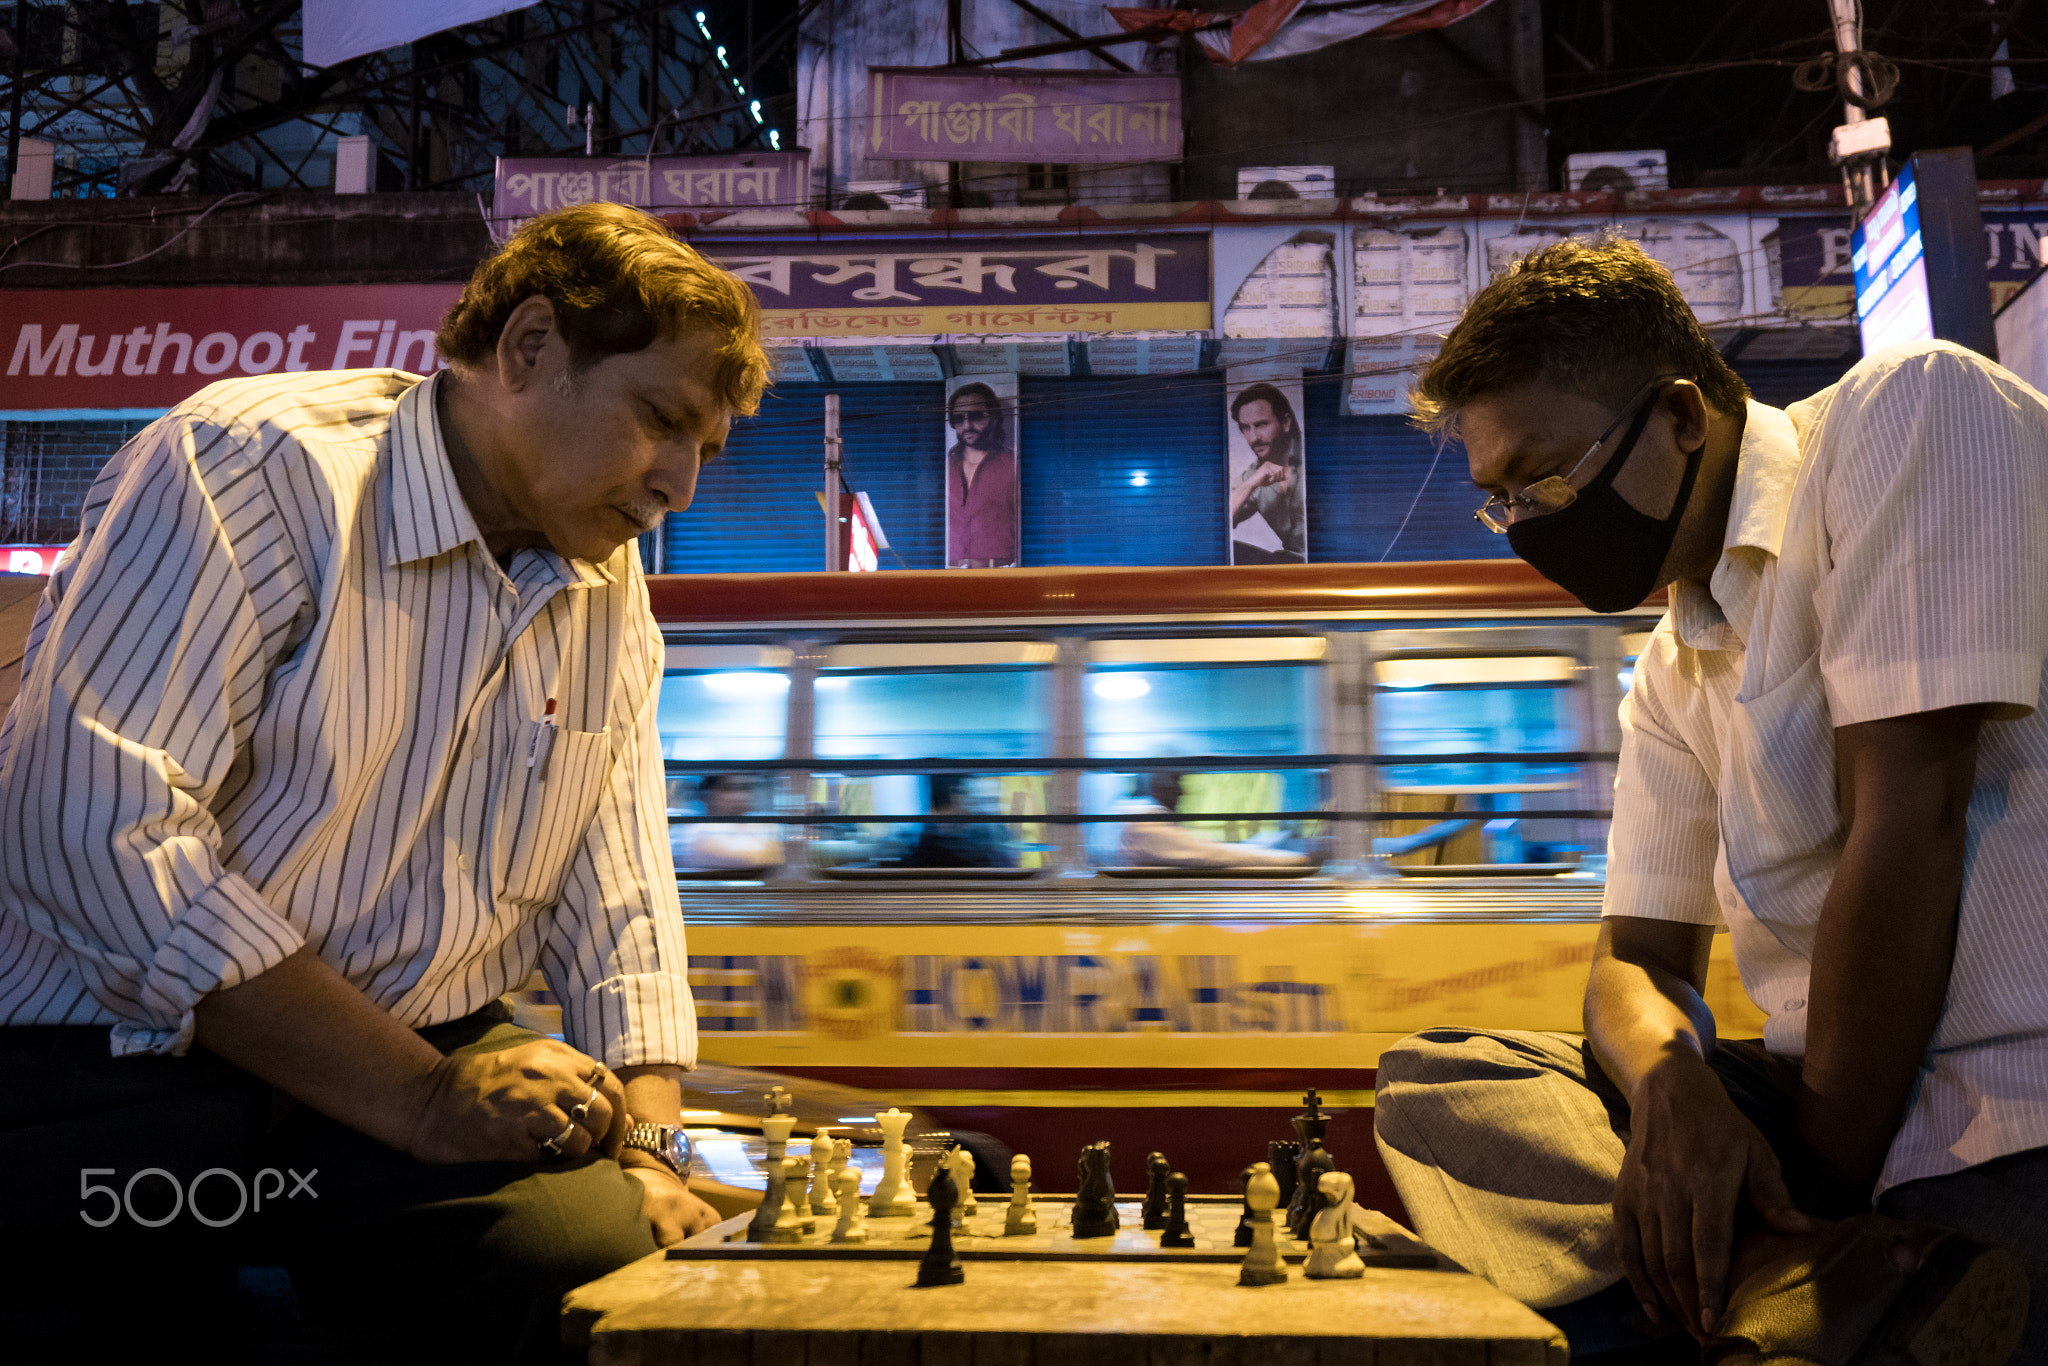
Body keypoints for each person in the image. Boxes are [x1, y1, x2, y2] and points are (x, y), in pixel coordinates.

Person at [0, 202, 770, 1364]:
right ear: (527, 349)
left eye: (705, 449)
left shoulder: (606, 591)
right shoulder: (254, 469)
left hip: (422, 1066)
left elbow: (618, 898)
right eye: (659, 419)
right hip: (123, 1076)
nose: (680, 483)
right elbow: (91, 826)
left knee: (598, 1250)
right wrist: (416, 1100)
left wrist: (648, 1156)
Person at [1373, 235, 2047, 1363]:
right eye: (1501, 503)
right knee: (1439, 1081)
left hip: (2001, 1108)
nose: (1531, 523)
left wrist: (1805, 1186)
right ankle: (1790, 1283)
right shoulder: (1672, 662)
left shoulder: (1906, 414)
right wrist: (1672, 1086)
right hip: (1814, 1104)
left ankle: (1794, 1267)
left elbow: (1907, 821)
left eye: (1544, 478)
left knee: (1616, 1292)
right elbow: (1633, 957)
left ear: (1680, 415)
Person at [1113, 771, 1309, 869]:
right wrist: (1298, 859)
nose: (1184, 792)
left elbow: (1209, 849)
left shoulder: (1145, 823)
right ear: (1160, 784)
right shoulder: (1145, 827)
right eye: (1178, 781)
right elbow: (1213, 854)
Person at [1226, 381, 1306, 564]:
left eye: (1261, 425)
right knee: (1230, 548)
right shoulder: (1256, 474)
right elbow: (1220, 523)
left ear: (1285, 423)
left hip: (1331, 561)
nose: (1253, 438)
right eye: (1246, 428)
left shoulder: (1310, 454)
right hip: (1291, 564)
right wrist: (1251, 483)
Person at [945, 382, 1019, 568]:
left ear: (994, 417)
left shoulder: (1012, 466)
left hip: (1000, 574)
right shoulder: (944, 470)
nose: (967, 425)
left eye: (976, 416)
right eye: (959, 419)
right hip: (950, 575)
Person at [673, 773, 782, 871]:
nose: (739, 796)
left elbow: (777, 856)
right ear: (705, 794)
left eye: (744, 788)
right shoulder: (694, 831)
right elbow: (745, 859)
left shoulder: (761, 824)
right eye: (727, 788)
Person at [904, 772, 1016, 868]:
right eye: (966, 792)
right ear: (954, 796)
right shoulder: (947, 850)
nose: (972, 807)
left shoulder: (919, 846)